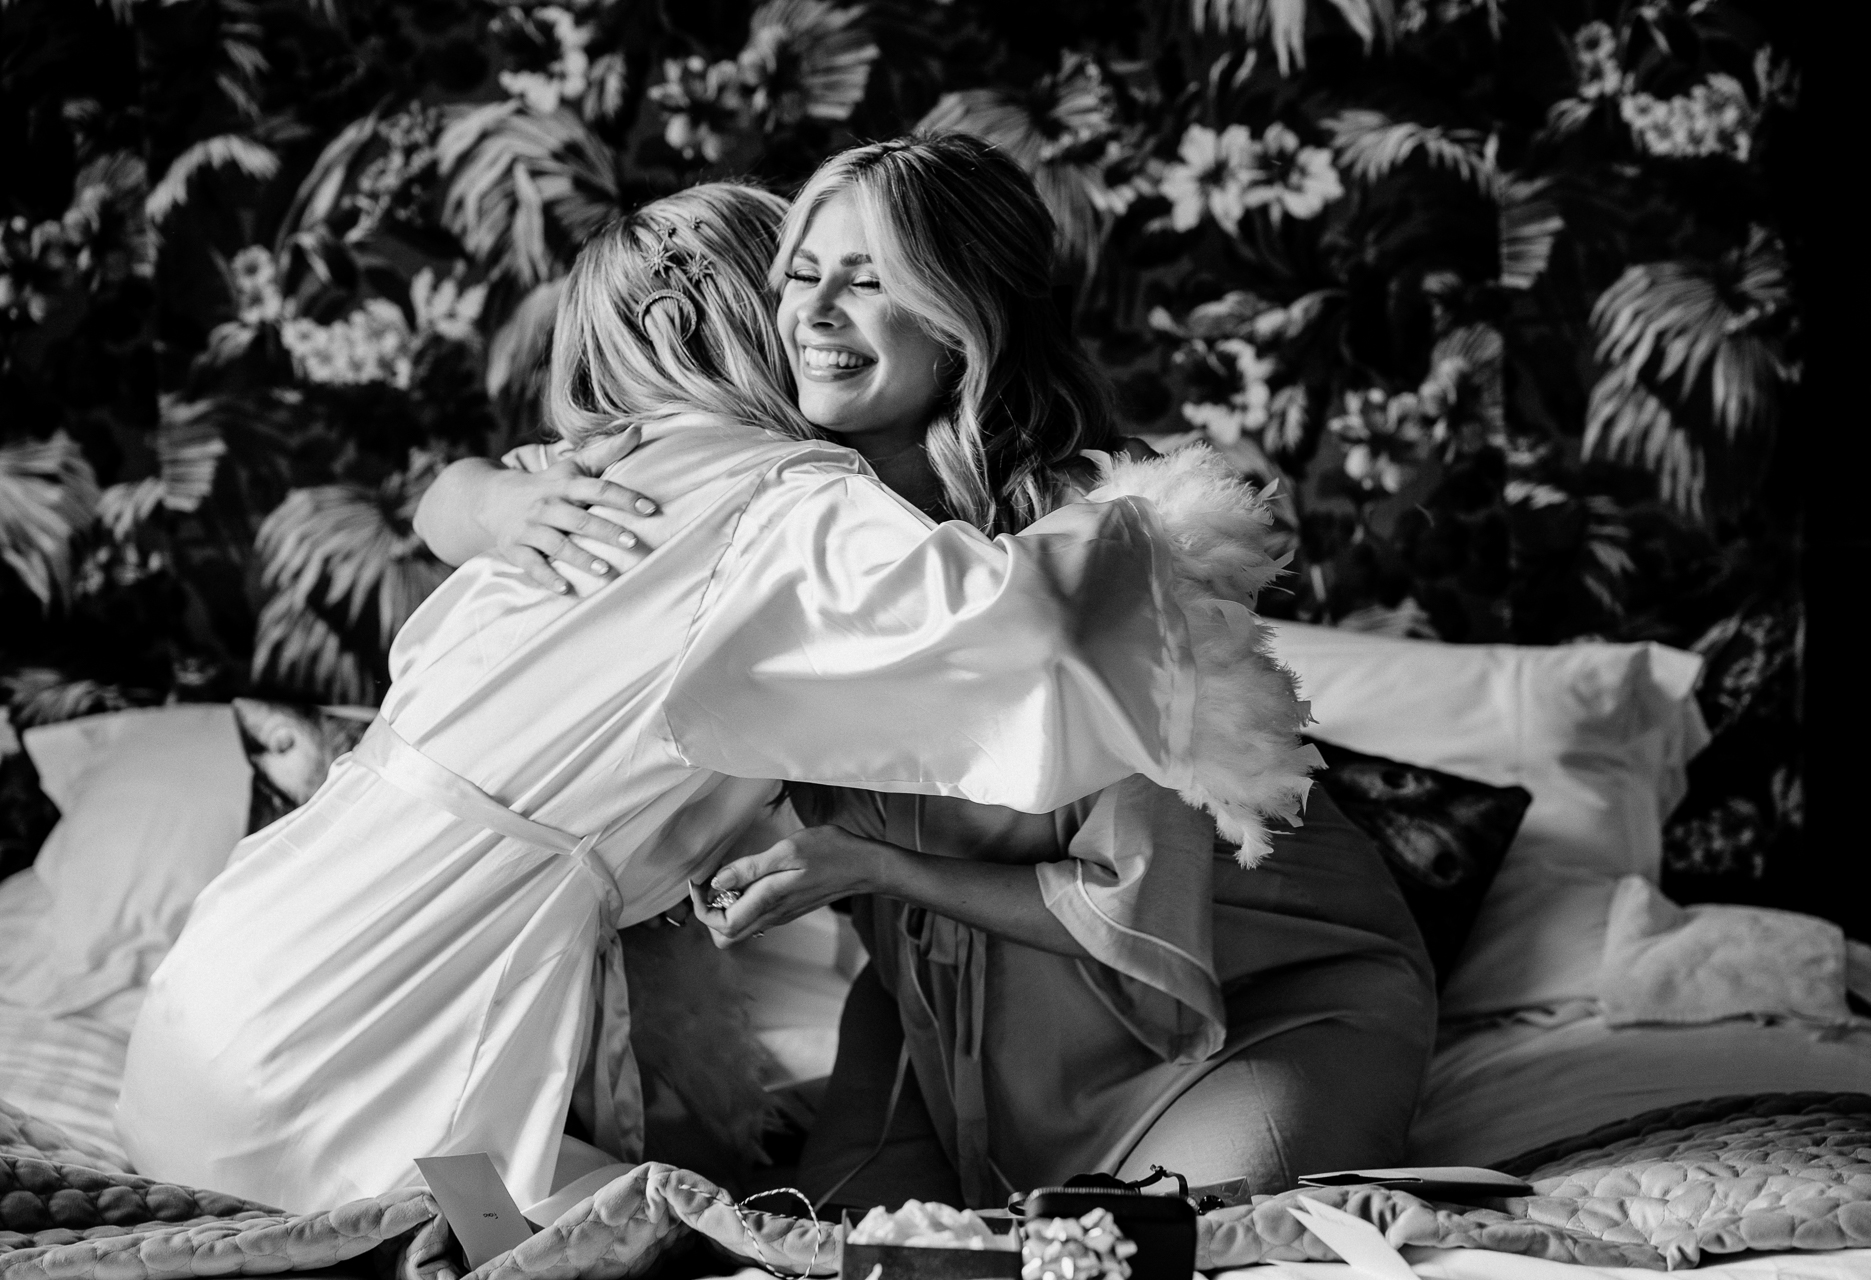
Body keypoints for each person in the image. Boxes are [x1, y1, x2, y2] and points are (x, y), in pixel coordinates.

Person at [114, 181, 1318, 1214]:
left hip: (210, 1007)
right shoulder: (786, 500)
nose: (819, 318)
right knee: (670, 1234)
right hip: (360, 1019)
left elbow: (459, 506)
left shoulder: (599, 473)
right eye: (795, 284)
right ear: (717, 317)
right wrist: (1175, 524)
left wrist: (472, 498)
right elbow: (1021, 620)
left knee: (663, 1207)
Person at [437, 136, 1435, 1209]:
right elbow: (474, 492)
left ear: (962, 323)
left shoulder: (1095, 556)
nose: (817, 313)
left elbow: (1134, 901)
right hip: (942, 1009)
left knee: (1152, 1235)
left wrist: (871, 867)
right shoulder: (756, 495)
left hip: (1248, 1003)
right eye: (800, 277)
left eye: (868, 283)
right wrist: (489, 505)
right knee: (830, 1237)